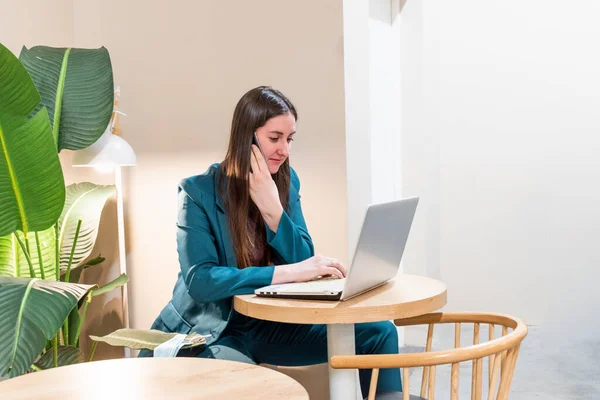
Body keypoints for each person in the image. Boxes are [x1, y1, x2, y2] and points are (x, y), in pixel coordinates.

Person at [143, 86, 402, 397]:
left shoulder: (286, 182)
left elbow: (304, 257)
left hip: (266, 325)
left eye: (289, 139)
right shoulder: (197, 192)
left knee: (380, 332)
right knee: (249, 383)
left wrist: (274, 211)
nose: (285, 149)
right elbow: (201, 280)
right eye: (275, 138)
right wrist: (286, 273)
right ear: (247, 138)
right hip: (212, 331)